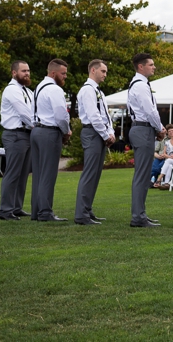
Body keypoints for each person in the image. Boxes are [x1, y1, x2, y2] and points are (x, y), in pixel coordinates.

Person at [25, 59, 71, 223]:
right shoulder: (55, 89)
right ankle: (45, 212)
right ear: (53, 73)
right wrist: (66, 131)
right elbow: (61, 115)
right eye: (63, 73)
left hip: (36, 130)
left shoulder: (38, 88)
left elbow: (32, 111)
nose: (65, 76)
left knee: (38, 174)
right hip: (49, 132)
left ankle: (36, 211)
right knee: (48, 174)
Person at [70, 59, 112, 225]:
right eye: (103, 71)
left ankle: (87, 209)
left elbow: (105, 115)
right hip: (92, 132)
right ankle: (81, 214)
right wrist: (105, 135)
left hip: (99, 133)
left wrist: (110, 132)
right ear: (93, 70)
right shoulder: (88, 90)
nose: (105, 75)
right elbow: (93, 116)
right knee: (89, 173)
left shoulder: (98, 91)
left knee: (95, 174)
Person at [125, 53, 163, 227]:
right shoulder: (140, 85)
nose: (154, 67)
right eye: (151, 64)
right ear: (141, 66)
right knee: (142, 175)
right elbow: (150, 110)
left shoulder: (139, 84)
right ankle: (138, 216)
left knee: (143, 174)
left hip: (142, 128)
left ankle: (140, 214)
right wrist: (159, 128)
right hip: (142, 128)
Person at [0, 60, 35, 221]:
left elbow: (34, 110)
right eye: (23, 71)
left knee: (23, 174)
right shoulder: (12, 90)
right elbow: (25, 113)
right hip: (15, 134)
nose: (27, 73)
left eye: (28, 70)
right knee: (13, 173)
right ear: (14, 73)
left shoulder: (27, 91)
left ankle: (16, 207)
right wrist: (38, 127)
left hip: (26, 134)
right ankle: (5, 210)